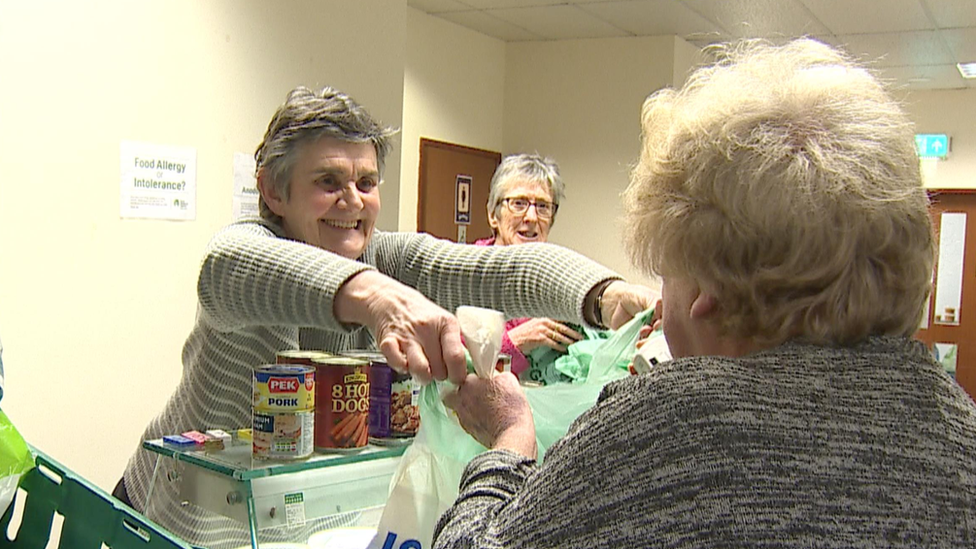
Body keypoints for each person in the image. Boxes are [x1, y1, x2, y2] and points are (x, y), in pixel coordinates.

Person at [434, 38, 976, 548]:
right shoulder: (956, 422)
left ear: (709, 292)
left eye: (668, 273)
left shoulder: (673, 421)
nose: (662, 304)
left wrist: (510, 440)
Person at [115, 86, 657, 548]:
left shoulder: (389, 256)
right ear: (273, 191)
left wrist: (604, 295)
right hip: (164, 521)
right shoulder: (248, 250)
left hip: (282, 527)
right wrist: (378, 299)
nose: (351, 202)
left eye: (366, 184)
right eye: (327, 183)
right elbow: (232, 266)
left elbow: (501, 267)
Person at [475, 153, 586, 383]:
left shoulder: (561, 276)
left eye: (543, 206)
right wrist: (515, 341)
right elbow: (451, 363)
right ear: (492, 215)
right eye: (519, 203)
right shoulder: (466, 274)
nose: (532, 217)